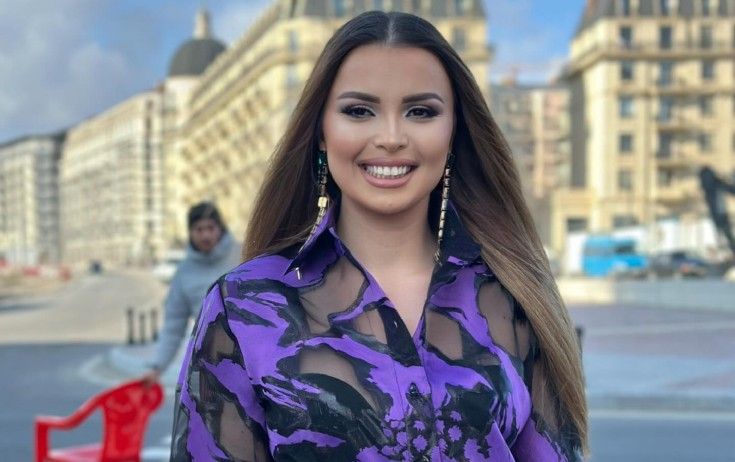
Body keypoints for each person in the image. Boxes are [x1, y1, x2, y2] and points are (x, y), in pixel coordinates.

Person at [171, 11, 587, 461]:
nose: (390, 137)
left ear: (453, 133)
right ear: (321, 132)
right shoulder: (241, 306)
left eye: (420, 111)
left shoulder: (515, 297)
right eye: (359, 111)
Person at [142, 202, 241, 385]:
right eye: (199, 229)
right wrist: (156, 368)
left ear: (220, 229)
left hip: (253, 359)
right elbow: (173, 325)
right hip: (212, 366)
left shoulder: (244, 254)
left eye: (210, 228)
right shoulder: (184, 273)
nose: (205, 235)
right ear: (190, 233)